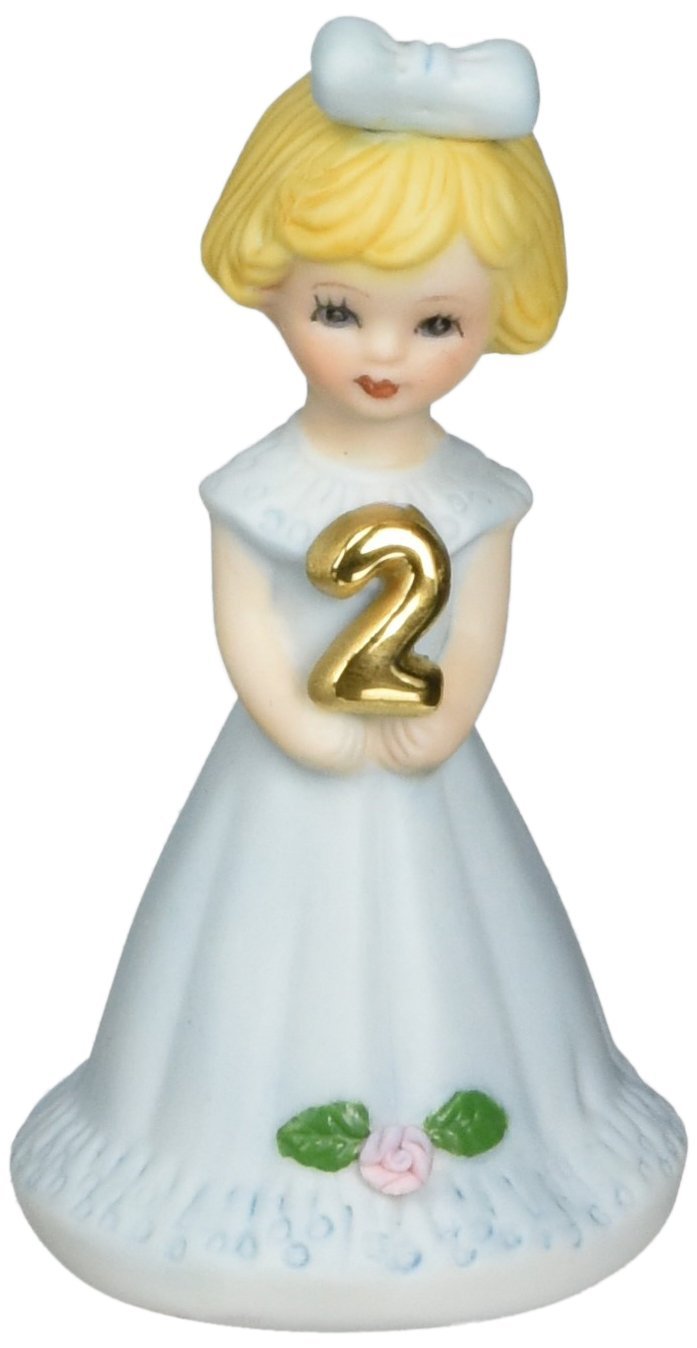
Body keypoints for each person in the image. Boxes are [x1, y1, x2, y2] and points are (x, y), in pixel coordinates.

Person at [11, 18, 685, 1329]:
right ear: (271, 286)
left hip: (429, 768)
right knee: (243, 971)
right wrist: (297, 722)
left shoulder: (475, 496)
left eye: (437, 322)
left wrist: (447, 715)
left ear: (494, 323)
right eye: (338, 309)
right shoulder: (258, 488)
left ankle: (508, 1169)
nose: (384, 352)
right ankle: (202, 1179)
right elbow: (248, 629)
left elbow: (475, 632)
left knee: (469, 961)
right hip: (287, 770)